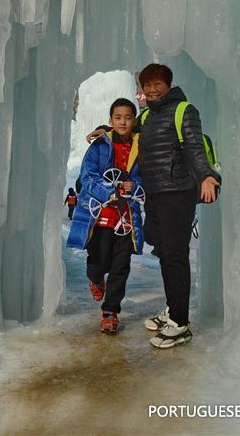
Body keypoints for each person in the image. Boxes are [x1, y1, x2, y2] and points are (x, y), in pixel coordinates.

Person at [86, 63, 221, 349]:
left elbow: (195, 147)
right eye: (147, 85)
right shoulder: (146, 116)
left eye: (157, 84)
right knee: (156, 241)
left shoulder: (185, 111)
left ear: (168, 84)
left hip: (178, 192)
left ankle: (180, 323)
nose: (151, 89)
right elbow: (127, 131)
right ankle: (173, 308)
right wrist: (106, 130)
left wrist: (208, 175)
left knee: (174, 255)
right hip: (155, 194)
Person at [67, 98, 144, 334]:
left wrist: (135, 185)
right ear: (111, 121)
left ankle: (110, 311)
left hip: (126, 219)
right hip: (99, 216)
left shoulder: (141, 147)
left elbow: (147, 176)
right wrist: (109, 191)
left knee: (121, 266)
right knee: (97, 262)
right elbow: (87, 176)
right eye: (118, 118)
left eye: (128, 117)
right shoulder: (99, 146)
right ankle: (95, 278)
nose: (123, 122)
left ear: (135, 121)